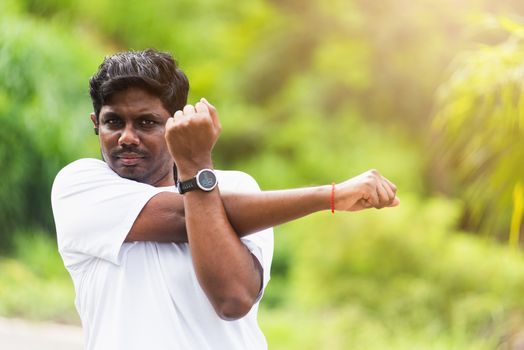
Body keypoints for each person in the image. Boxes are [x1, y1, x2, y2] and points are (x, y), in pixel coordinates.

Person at [51, 49, 399, 350]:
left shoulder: (240, 185)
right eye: (114, 122)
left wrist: (194, 168)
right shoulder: (80, 186)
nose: (127, 137)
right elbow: (182, 217)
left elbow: (232, 298)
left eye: (145, 122)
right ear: (96, 124)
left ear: (177, 125)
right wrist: (330, 195)